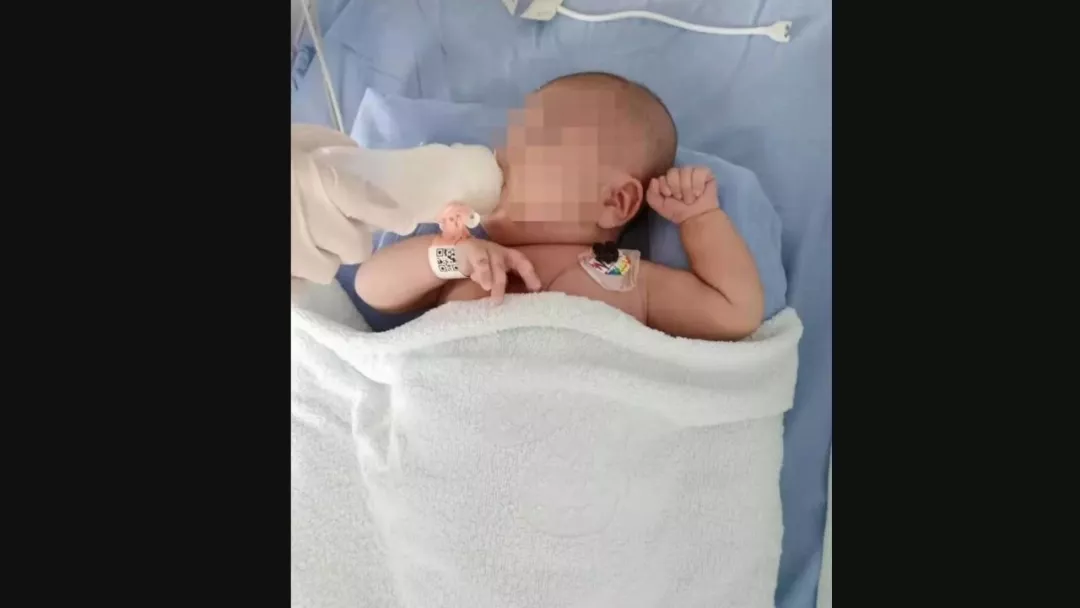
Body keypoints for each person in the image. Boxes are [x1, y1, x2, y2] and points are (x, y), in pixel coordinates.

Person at [353, 72, 763, 341]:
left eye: (538, 140)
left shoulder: (619, 272)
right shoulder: (469, 257)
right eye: (510, 137)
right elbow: (370, 287)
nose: (502, 152)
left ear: (614, 201)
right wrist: (450, 258)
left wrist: (699, 218)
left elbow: (735, 313)